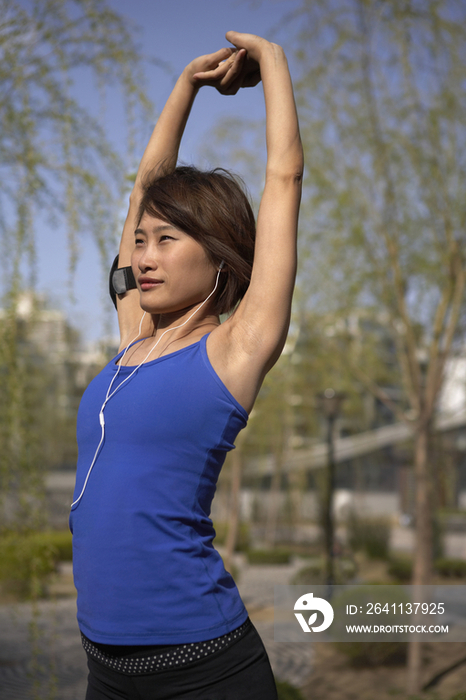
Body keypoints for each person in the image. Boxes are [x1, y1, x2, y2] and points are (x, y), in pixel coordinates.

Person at [70, 31, 303, 700]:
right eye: (140, 241)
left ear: (220, 260)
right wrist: (184, 90)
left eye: (166, 241)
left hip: (205, 672)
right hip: (105, 673)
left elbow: (284, 176)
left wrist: (273, 63)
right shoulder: (132, 330)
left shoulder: (237, 348)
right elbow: (145, 193)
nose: (143, 256)